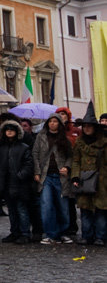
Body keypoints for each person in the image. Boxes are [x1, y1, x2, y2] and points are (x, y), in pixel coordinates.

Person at [33, 114, 74, 244]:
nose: (52, 123)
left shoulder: (64, 139)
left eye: (55, 121)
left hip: (61, 177)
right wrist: (37, 172)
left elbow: (70, 156)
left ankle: (62, 232)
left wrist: (67, 167)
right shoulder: (41, 137)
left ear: (59, 124)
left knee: (62, 206)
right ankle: (50, 233)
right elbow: (35, 154)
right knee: (46, 205)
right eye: (50, 121)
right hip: (46, 176)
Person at [70, 103, 107, 245]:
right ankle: (86, 235)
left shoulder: (104, 142)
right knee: (85, 209)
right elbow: (75, 161)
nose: (86, 128)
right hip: (84, 179)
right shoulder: (79, 143)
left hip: (102, 180)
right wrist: (75, 176)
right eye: (84, 126)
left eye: (89, 126)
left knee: (101, 210)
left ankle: (100, 236)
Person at [0, 120, 34, 243]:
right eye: (7, 130)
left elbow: (28, 165)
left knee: (21, 208)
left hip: (19, 183)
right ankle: (14, 232)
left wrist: (20, 175)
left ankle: (25, 233)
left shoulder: (23, 148)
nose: (10, 132)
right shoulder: (0, 148)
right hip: (5, 182)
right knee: (11, 209)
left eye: (12, 130)